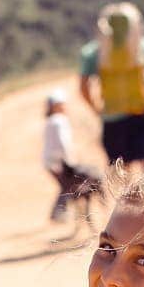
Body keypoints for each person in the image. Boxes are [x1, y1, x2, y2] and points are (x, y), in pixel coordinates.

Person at [79, 3, 144, 171]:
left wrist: (97, 109)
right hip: (140, 111)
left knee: (123, 173)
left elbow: (83, 88)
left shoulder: (92, 52)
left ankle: (129, 198)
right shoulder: (143, 46)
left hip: (111, 116)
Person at [42, 89, 102, 226]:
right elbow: (63, 142)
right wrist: (70, 160)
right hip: (59, 162)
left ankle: (63, 215)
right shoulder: (59, 120)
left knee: (67, 187)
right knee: (68, 187)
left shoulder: (51, 121)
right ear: (55, 105)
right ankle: (59, 214)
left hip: (51, 161)